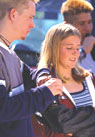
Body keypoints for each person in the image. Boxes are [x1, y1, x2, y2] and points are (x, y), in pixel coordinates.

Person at [34, 23, 95, 137]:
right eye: (69, 48)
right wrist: (94, 114)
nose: (76, 53)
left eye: (78, 48)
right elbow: (62, 124)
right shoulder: (47, 83)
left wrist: (78, 129)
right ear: (54, 49)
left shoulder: (90, 78)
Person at [0, 0, 63, 137]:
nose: (33, 25)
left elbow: (30, 74)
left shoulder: (9, 52)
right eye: (30, 17)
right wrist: (46, 92)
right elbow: (2, 108)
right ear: (14, 14)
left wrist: (42, 76)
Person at [60, 0, 95, 83]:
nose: (87, 28)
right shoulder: (59, 49)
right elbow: (61, 71)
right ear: (67, 25)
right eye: (81, 23)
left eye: (89, 22)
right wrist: (83, 51)